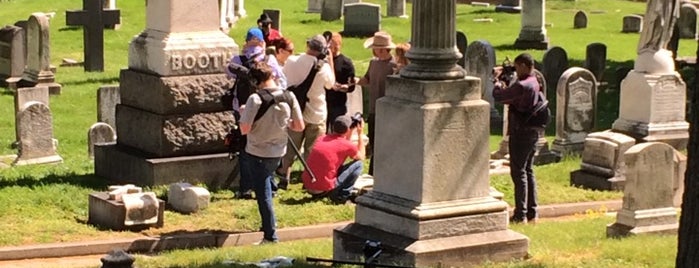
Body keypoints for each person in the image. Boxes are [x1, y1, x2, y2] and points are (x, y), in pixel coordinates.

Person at [239, 60, 304, 244]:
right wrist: (283, 123)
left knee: (263, 194)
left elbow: (244, 129)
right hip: (278, 152)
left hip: (257, 151)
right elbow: (299, 126)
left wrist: (243, 113)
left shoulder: (255, 99)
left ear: (255, 81)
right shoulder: (289, 96)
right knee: (267, 185)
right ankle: (267, 225)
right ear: (272, 75)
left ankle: (270, 234)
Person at [226, 27, 287, 199]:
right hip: (267, 107)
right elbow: (282, 81)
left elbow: (228, 74)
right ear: (262, 42)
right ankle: (271, 185)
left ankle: (246, 188)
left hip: (243, 108)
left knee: (246, 148)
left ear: (246, 41)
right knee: (269, 144)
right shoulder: (269, 59)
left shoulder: (238, 59)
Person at [276, 34, 335, 189]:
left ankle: (284, 176)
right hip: (316, 112)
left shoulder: (292, 61)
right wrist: (330, 61)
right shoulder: (324, 67)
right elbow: (331, 85)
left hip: (296, 111)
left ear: (308, 45)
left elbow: (286, 79)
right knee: (312, 150)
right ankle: (309, 180)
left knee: (290, 148)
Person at [492, 53, 541, 224]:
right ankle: (532, 213)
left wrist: (498, 81)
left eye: (517, 66)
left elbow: (499, 96)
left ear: (523, 66)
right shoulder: (535, 81)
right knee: (528, 171)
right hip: (533, 133)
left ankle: (520, 214)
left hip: (520, 133)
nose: (516, 70)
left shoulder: (522, 86)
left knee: (518, 173)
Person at [356, 31, 397, 176]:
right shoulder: (373, 63)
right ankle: (373, 172)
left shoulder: (395, 66)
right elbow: (367, 79)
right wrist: (355, 81)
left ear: (382, 49)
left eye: (375, 48)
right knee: (374, 141)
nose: (373, 51)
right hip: (374, 109)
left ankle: (386, 171)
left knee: (386, 142)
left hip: (388, 110)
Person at [302, 115, 365, 204]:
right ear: (347, 129)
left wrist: (349, 132)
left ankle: (329, 192)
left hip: (309, 185)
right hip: (323, 189)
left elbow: (344, 145)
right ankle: (342, 195)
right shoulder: (346, 145)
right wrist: (360, 134)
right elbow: (361, 156)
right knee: (359, 164)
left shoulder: (321, 138)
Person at [326, 32, 357, 132]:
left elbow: (351, 86)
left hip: (338, 103)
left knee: (337, 131)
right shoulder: (323, 60)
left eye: (335, 46)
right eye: (330, 46)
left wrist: (342, 87)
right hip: (324, 101)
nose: (332, 49)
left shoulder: (346, 63)